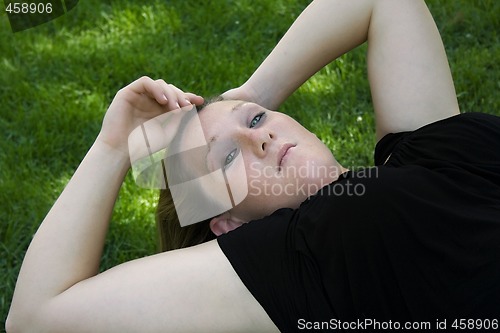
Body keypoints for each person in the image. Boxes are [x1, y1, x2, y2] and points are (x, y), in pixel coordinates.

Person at [7, 0, 500, 332]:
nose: (258, 137)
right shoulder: (289, 266)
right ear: (226, 224)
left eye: (260, 121)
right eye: (227, 157)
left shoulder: (422, 151)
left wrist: (247, 98)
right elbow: (33, 318)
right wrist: (116, 144)